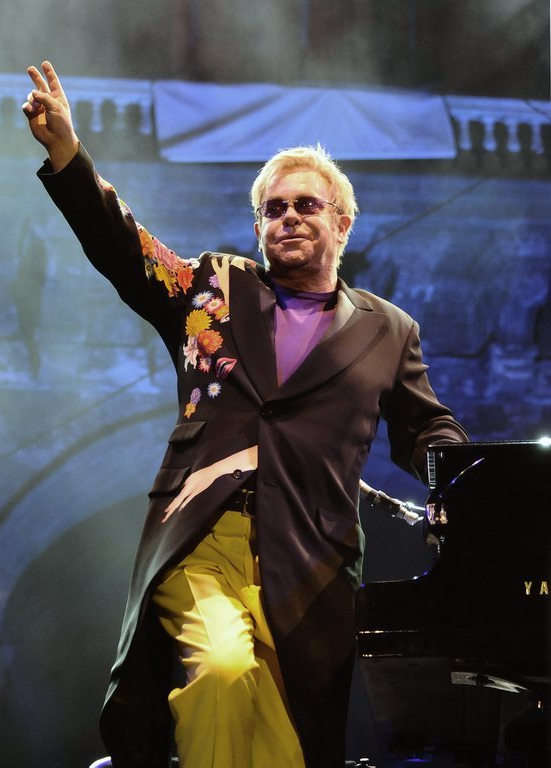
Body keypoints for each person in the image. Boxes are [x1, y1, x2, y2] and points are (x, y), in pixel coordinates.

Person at [23, 61, 468, 768]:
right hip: (204, 530)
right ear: (257, 225)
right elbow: (123, 245)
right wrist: (68, 154)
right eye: (273, 208)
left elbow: (427, 429)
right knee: (224, 672)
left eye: (306, 205)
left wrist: (463, 478)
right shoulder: (213, 287)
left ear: (343, 223)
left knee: (285, 743)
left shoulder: (389, 330)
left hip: (313, 556)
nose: (288, 217)